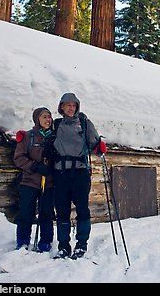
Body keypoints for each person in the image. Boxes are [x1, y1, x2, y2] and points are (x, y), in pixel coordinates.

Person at [50, 92, 107, 259]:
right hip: (60, 173)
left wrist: (100, 147)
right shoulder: (56, 124)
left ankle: (81, 244)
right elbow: (43, 137)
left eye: (74, 105)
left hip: (80, 172)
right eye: (68, 105)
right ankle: (63, 246)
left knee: (82, 209)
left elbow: (94, 144)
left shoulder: (84, 123)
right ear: (61, 107)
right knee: (62, 210)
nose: (71, 108)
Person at [13, 107, 56, 252]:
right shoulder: (28, 136)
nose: (47, 120)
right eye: (44, 117)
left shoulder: (55, 137)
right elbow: (18, 158)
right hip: (29, 181)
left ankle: (46, 242)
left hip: (48, 183)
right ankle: (23, 241)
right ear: (37, 119)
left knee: (46, 214)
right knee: (26, 213)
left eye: (49, 117)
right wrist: (35, 167)